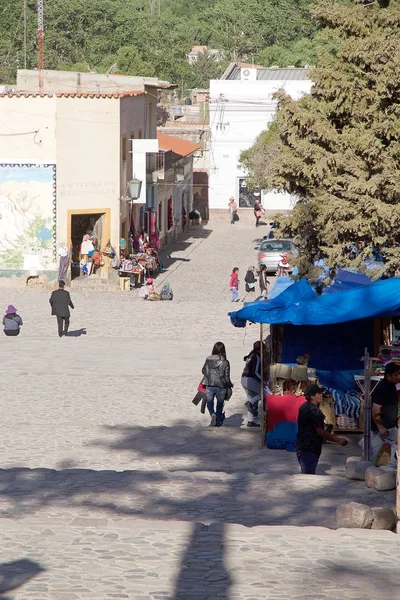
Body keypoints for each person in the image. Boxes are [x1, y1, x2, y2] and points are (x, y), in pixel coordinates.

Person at [295, 385, 348, 474]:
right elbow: (320, 432)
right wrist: (338, 440)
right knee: (308, 477)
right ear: (312, 396)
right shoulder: (314, 411)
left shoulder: (304, 406)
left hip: (301, 446)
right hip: (310, 448)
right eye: (319, 393)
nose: (321, 395)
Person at [370, 362, 400, 469]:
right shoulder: (384, 388)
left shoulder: (391, 386)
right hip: (384, 426)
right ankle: (392, 467)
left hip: (385, 425)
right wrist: (380, 426)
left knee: (375, 450)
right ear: (388, 375)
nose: (398, 377)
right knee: (397, 443)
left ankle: (372, 469)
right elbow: (375, 410)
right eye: (395, 375)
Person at [202, 341, 233, 427]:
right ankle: (218, 422)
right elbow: (227, 376)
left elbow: (203, 370)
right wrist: (230, 384)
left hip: (210, 384)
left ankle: (212, 414)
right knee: (220, 404)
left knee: (209, 402)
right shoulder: (225, 361)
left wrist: (209, 375)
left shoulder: (208, 359)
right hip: (221, 386)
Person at [241, 341, 269, 427]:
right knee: (265, 393)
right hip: (250, 380)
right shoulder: (257, 357)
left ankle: (250, 421)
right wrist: (263, 380)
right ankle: (250, 403)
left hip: (243, 379)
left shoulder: (250, 356)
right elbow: (256, 371)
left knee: (251, 398)